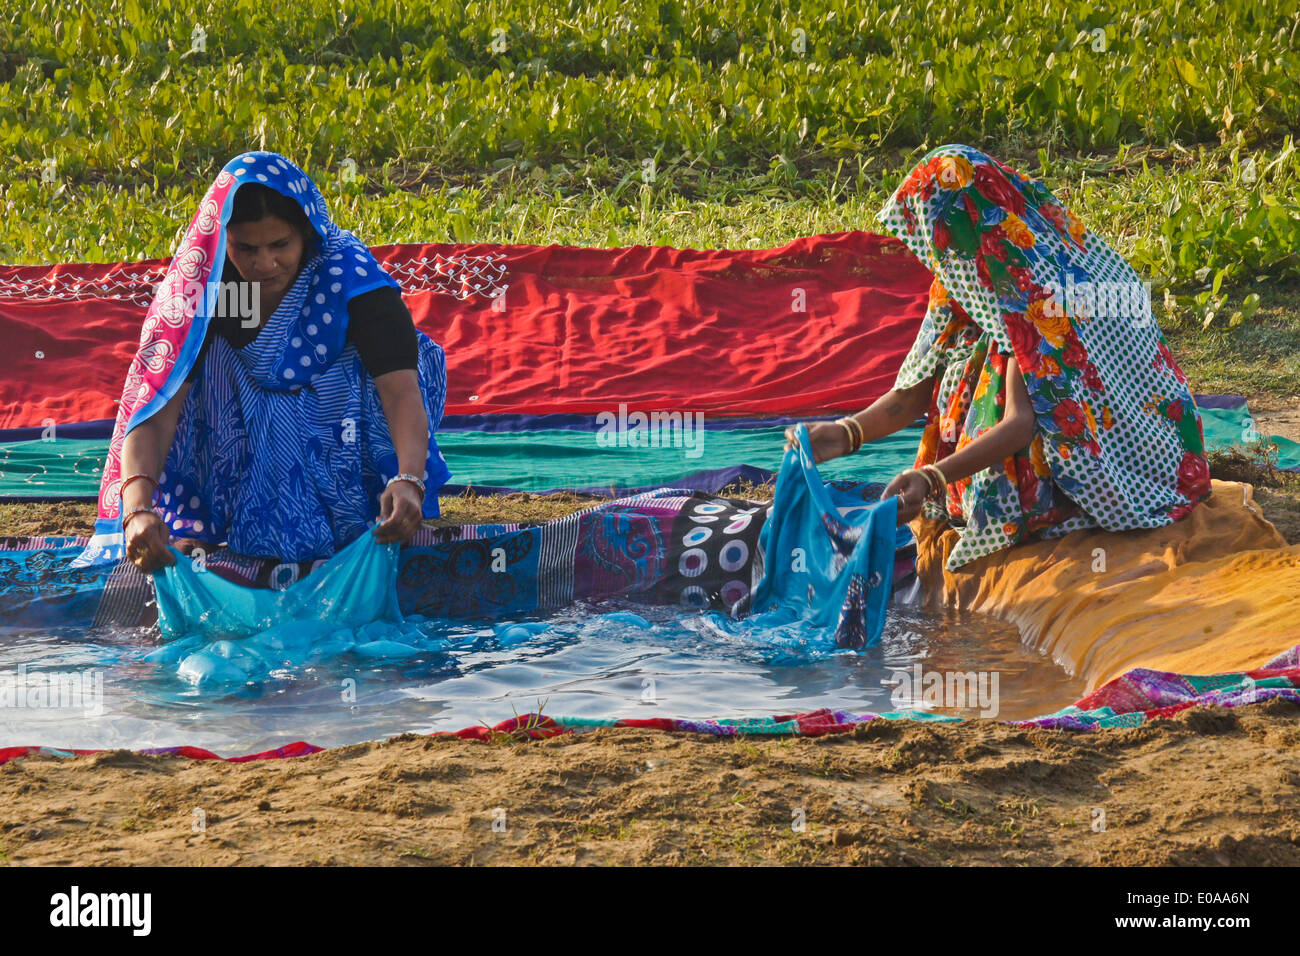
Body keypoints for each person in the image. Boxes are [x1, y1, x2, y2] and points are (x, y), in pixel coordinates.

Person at [786, 144, 1212, 572]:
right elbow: (913, 391)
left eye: (942, 236)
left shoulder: (1034, 290)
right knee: (969, 366)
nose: (936, 253)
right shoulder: (963, 277)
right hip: (1035, 420)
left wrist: (933, 477)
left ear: (969, 227)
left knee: (996, 390)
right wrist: (844, 434)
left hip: (1108, 453)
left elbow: (1019, 424)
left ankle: (1031, 506)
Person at [71, 151, 451, 573]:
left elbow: (399, 391)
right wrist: (137, 510)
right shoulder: (207, 287)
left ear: (306, 232)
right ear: (221, 238)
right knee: (185, 359)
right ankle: (234, 512)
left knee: (359, 373)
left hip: (341, 419)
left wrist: (410, 478)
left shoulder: (348, 278)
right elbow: (157, 407)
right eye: (245, 248)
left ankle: (367, 508)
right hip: (243, 417)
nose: (264, 264)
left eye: (280, 245)